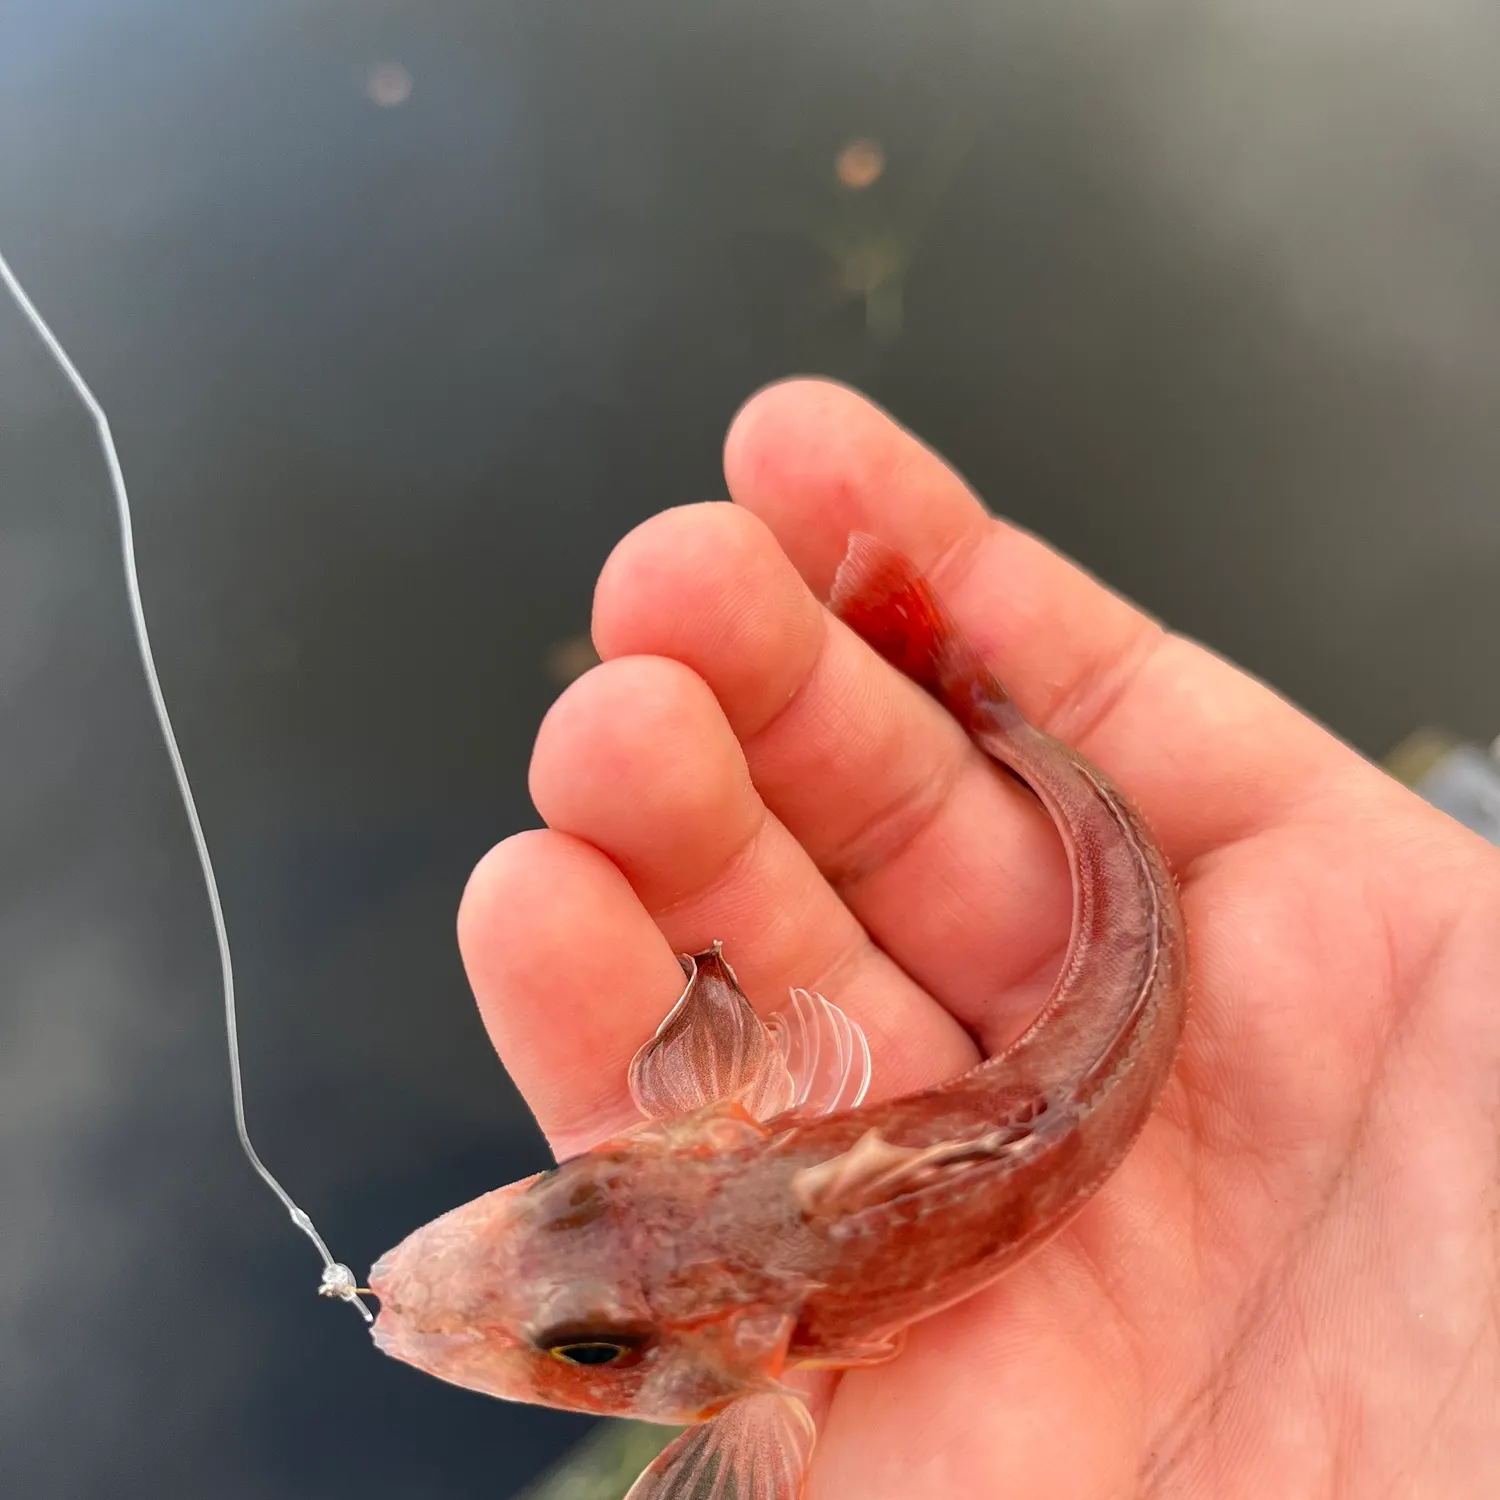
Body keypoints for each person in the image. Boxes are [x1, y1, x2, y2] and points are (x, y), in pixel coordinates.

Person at [457, 379, 1500, 1495]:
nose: (446, 1280)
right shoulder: (718, 1134)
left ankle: (975, 699)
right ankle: (973, 699)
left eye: (590, 1348)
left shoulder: (743, 1334)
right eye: (584, 1338)